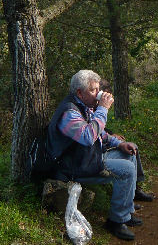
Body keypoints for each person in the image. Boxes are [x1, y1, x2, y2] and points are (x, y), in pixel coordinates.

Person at [47, 70, 142, 241]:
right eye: (93, 90)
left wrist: (118, 143)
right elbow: (88, 136)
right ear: (79, 93)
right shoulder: (69, 113)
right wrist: (103, 109)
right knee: (126, 169)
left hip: (87, 158)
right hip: (74, 166)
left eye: (98, 89)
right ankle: (116, 221)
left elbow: (100, 133)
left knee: (130, 154)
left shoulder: (85, 106)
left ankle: (126, 211)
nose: (98, 94)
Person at [99, 79, 154, 205]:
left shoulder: (98, 107)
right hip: (97, 152)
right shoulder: (92, 107)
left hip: (103, 144)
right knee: (127, 163)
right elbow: (91, 130)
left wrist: (111, 136)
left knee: (133, 148)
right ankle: (126, 202)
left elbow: (100, 129)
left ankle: (135, 189)